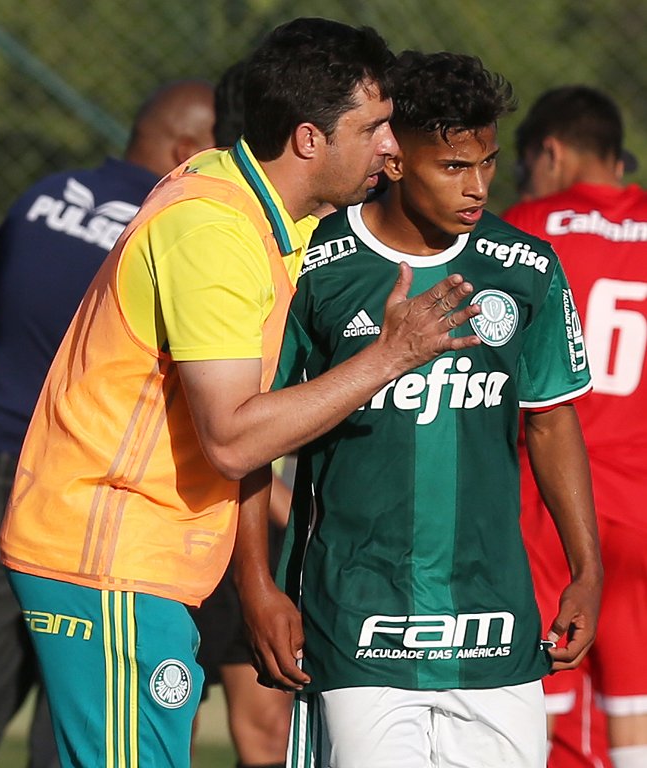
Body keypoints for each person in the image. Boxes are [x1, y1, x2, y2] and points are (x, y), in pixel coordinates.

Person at [0, 18, 484, 768]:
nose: (392, 147)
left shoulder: (256, 212)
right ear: (308, 139)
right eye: (376, 126)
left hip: (140, 563)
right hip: (112, 558)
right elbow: (232, 435)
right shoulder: (215, 230)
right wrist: (391, 356)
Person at [234, 50, 603, 768]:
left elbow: (553, 421)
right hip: (354, 620)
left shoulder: (526, 267)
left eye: (488, 163)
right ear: (396, 160)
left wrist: (585, 568)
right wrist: (256, 584)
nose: (478, 188)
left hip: (494, 625)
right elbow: (251, 434)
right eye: (454, 167)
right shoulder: (316, 263)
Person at [0, 78, 216, 768]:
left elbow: (0, 316)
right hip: (80, 485)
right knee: (82, 717)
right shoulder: (171, 222)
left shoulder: (43, 196)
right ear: (186, 146)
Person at [502, 85, 647, 768]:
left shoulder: (529, 223)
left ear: (549, 153)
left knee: (547, 689)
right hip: (640, 501)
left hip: (554, 494)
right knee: (633, 700)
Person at [189, 57, 295, 768]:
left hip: (248, 528)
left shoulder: (299, 238)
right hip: (190, 527)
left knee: (267, 732)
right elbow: (228, 433)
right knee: (166, 720)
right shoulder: (207, 230)